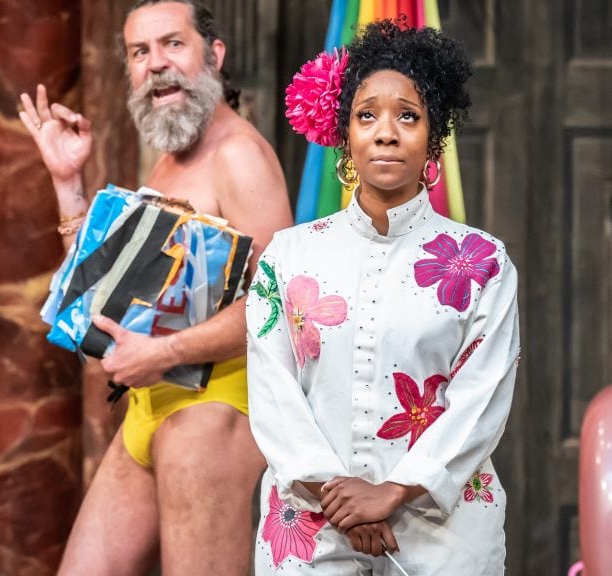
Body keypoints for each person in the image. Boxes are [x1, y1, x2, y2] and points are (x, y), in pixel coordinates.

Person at [18, 1, 292, 574]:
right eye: (140, 52)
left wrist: (162, 354)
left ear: (213, 55)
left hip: (215, 411)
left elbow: (280, 306)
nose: (156, 63)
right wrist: (67, 182)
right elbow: (100, 295)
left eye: (173, 44)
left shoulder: (239, 156)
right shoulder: (169, 161)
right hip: (150, 407)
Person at [246, 20, 520, 575]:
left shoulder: (483, 262)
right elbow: (274, 393)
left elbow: (481, 398)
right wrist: (346, 503)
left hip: (442, 536)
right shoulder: (288, 257)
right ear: (346, 134)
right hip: (310, 530)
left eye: (408, 116)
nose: (386, 133)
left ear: (434, 136)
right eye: (367, 115)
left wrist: (393, 492)